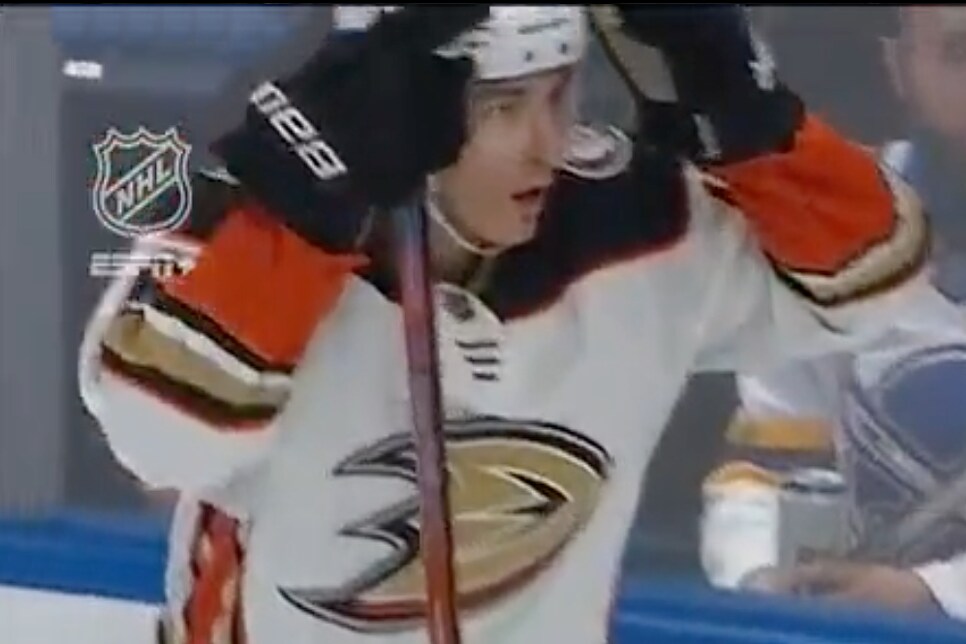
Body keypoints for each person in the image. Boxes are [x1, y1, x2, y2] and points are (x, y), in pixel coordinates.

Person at [79, 6, 960, 643]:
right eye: (503, 109)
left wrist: (745, 116)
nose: (546, 143)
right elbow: (159, 435)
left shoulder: (641, 224)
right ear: (409, 111)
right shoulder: (258, 236)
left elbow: (877, 282)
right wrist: (309, 211)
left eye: (559, 96)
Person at [700, 5, 966, 620]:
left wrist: (933, 594)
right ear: (900, 67)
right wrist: (763, 587)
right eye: (959, 54)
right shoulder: (837, 229)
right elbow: (761, 469)